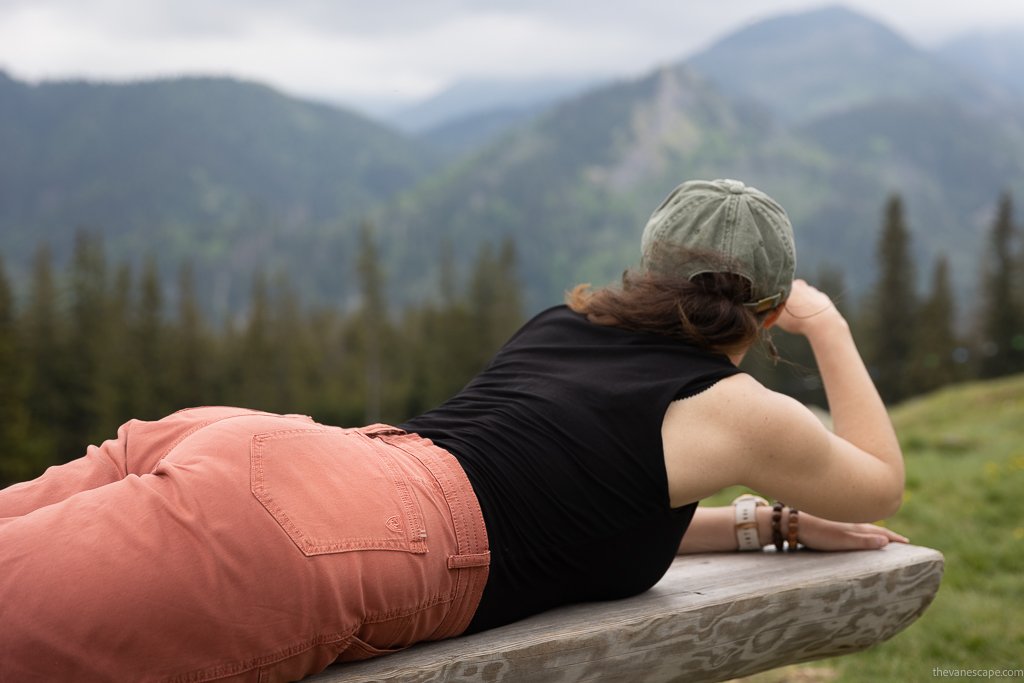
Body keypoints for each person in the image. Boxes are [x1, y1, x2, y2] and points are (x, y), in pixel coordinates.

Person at [0, 179, 907, 683]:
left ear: (650, 269)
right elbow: (878, 478)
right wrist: (826, 324)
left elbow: (565, 507)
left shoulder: (562, 325)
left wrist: (766, 524)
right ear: (767, 309)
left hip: (277, 455)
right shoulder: (737, 411)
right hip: (320, 538)